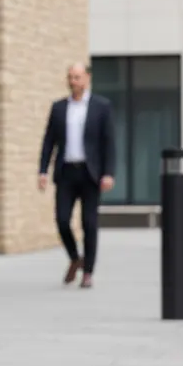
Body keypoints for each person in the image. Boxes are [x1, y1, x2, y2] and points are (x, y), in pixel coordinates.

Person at [38, 62, 116, 289]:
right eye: (70, 77)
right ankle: (75, 257)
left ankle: (88, 272)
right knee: (62, 220)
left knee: (89, 223)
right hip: (66, 172)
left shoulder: (102, 106)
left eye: (77, 77)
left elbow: (109, 143)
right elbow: (48, 141)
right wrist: (43, 170)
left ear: (87, 79)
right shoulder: (59, 107)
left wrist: (109, 173)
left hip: (91, 173)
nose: (73, 82)